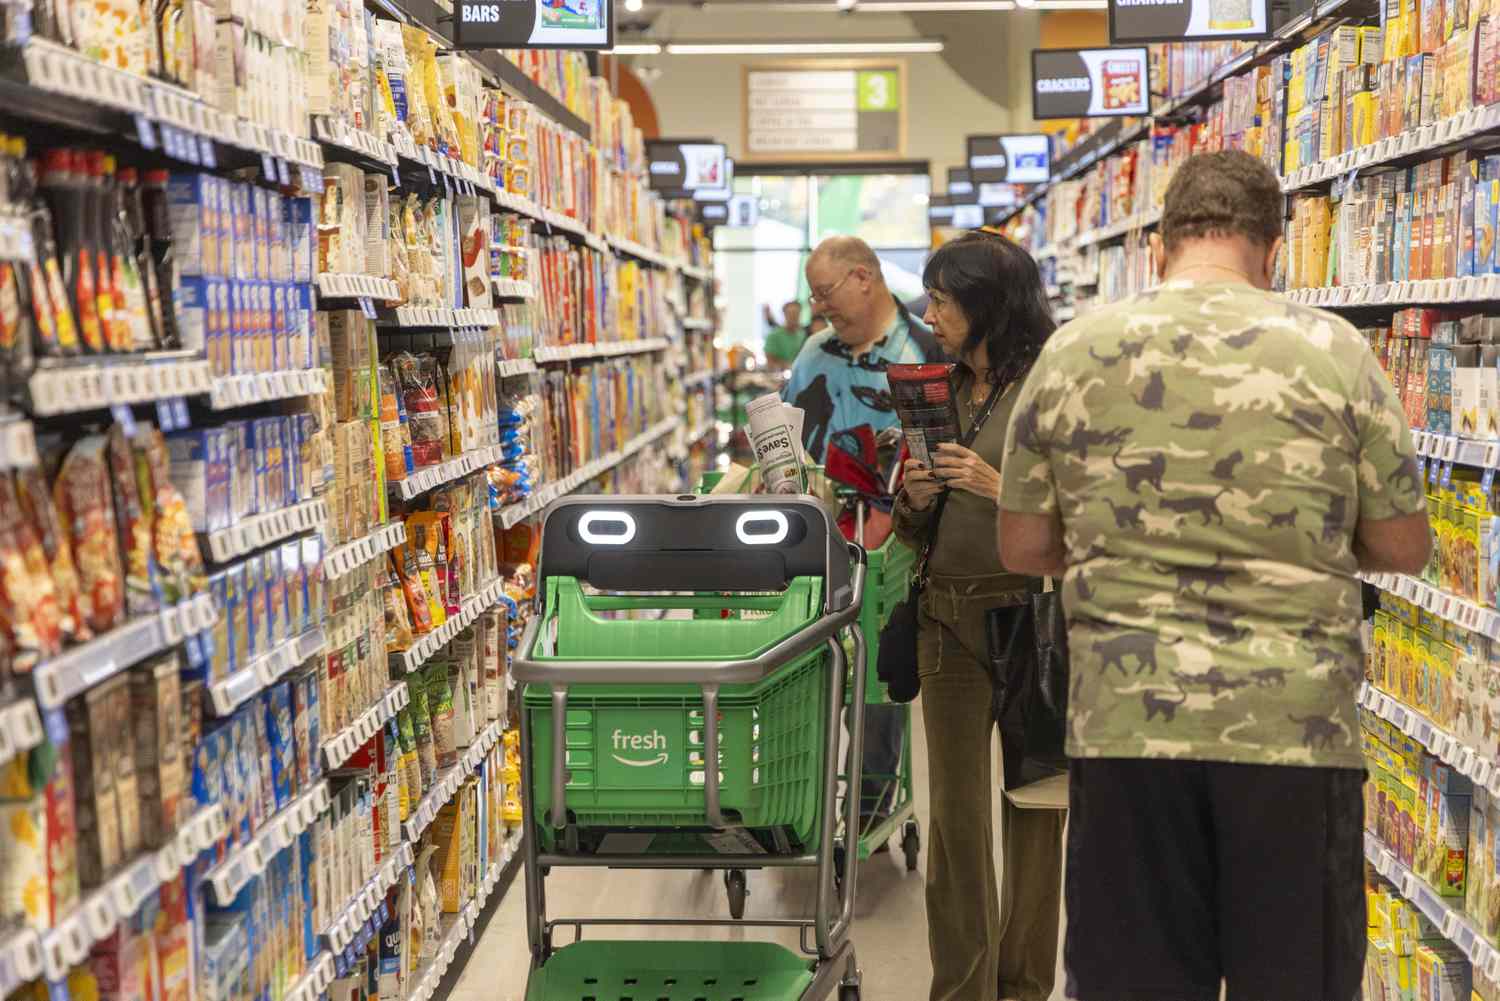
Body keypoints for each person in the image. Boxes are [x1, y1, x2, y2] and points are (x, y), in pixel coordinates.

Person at [996, 149, 1430, 1001]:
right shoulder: (1336, 353)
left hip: (1127, 734)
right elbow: (1405, 543)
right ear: (1272, 247)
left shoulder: (1075, 353)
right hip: (1295, 738)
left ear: (1160, 243)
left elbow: (1021, 544)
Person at [891, 231, 1062, 1001]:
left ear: (990, 305)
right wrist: (914, 498)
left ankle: (1023, 986)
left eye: (943, 301)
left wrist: (1004, 487)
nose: (931, 314)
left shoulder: (1052, 387)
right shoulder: (942, 388)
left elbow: (1092, 514)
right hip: (946, 622)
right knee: (957, 829)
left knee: (1035, 817)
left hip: (1031, 620)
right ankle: (961, 990)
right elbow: (910, 528)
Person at [784, 234, 941, 833]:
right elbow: (791, 440)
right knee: (807, 671)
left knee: (876, 681)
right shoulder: (814, 354)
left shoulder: (925, 349)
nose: (821, 306)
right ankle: (799, 802)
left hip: (896, 549)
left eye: (827, 292)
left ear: (864, 278)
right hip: (816, 545)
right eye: (815, 295)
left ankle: (869, 809)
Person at [763, 300, 808, 369]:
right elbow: (770, 361)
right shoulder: (773, 336)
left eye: (796, 313)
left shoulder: (804, 335)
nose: (794, 317)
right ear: (784, 314)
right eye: (791, 313)